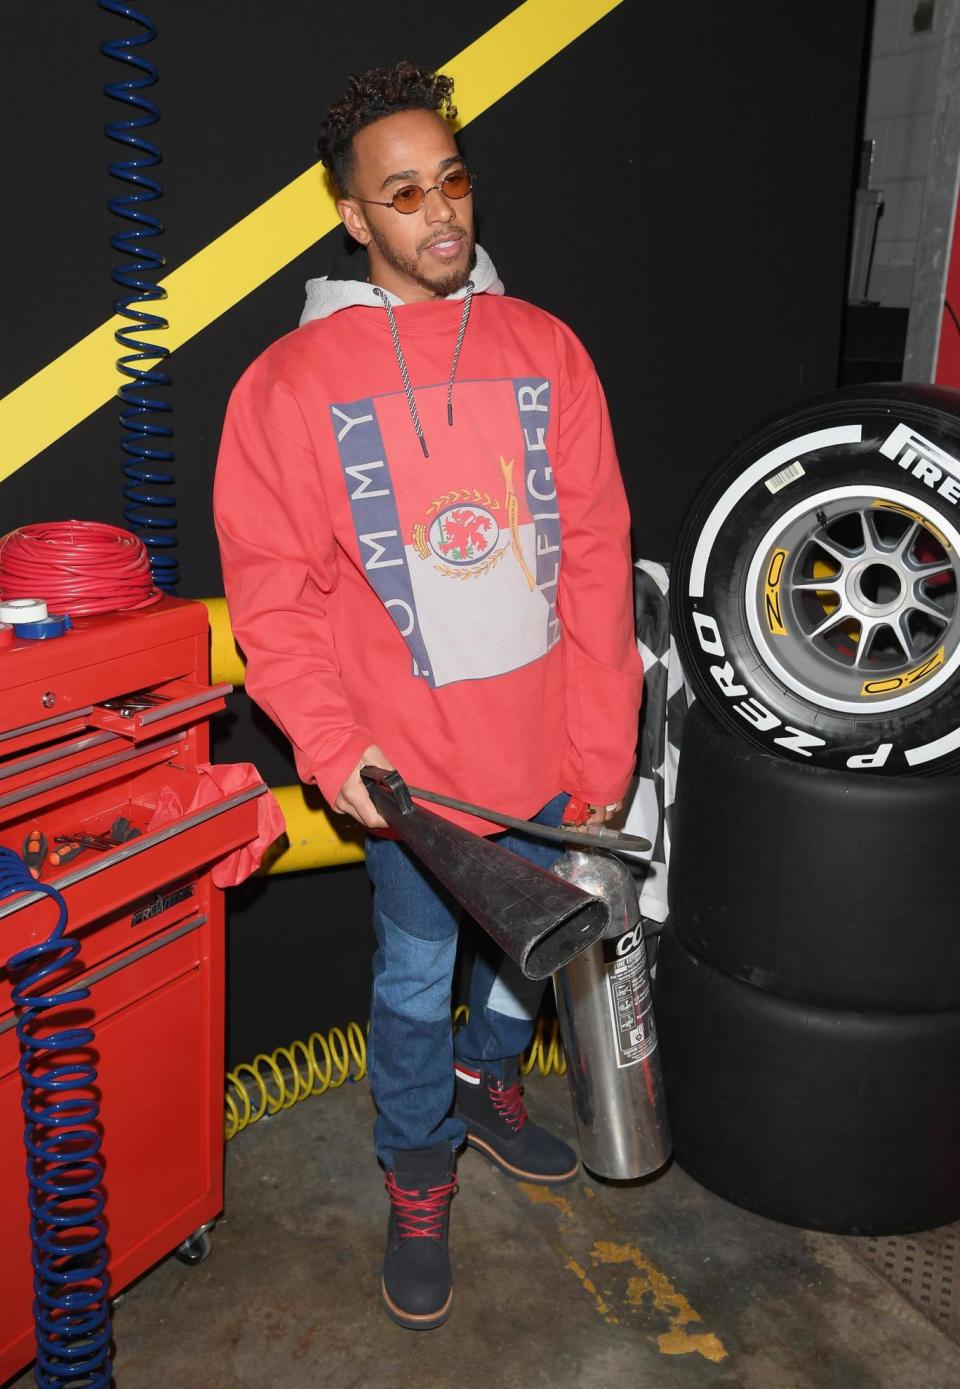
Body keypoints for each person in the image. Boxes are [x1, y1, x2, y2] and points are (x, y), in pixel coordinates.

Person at [214, 60, 643, 1332]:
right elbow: (274, 597)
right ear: (355, 218)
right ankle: (416, 1171)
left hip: (552, 754)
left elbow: (598, 563)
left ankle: (488, 1082)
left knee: (528, 970)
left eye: (451, 180)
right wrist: (335, 744)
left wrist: (602, 745)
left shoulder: (545, 348)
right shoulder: (289, 383)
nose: (439, 214)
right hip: (409, 782)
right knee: (412, 979)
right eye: (402, 195)